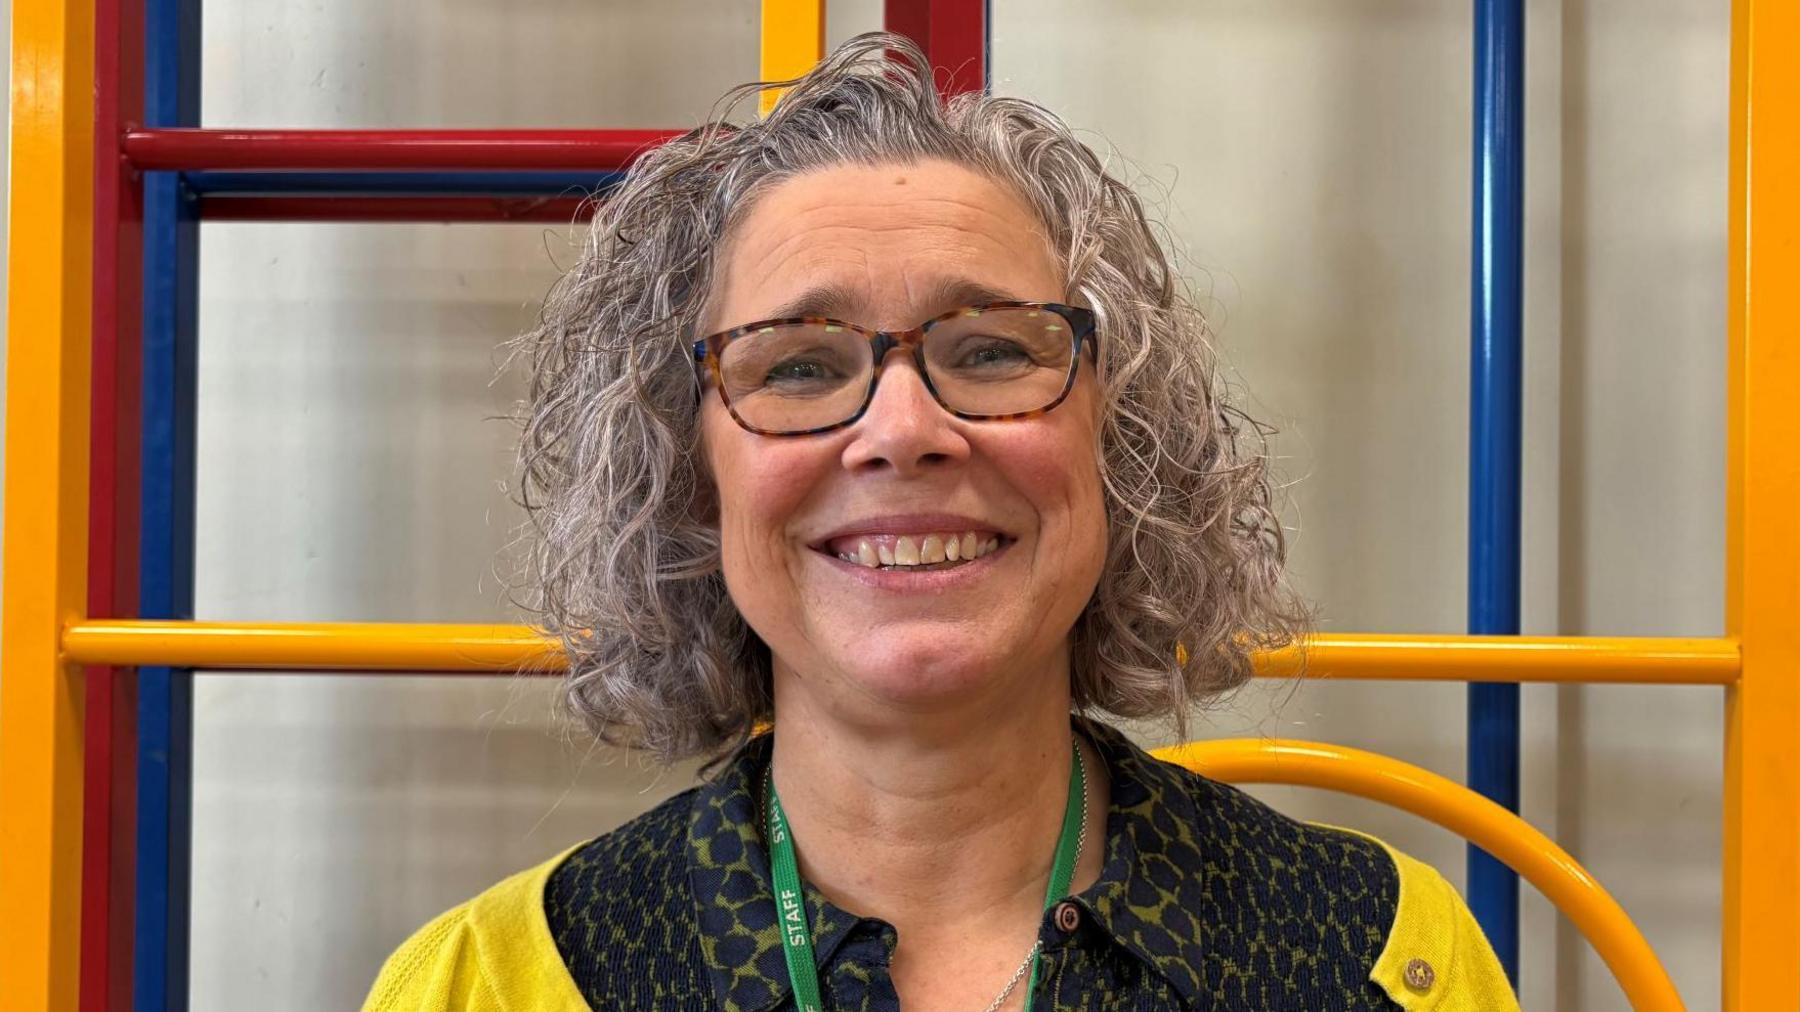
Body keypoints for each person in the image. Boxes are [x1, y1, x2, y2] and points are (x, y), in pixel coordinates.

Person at [364, 32, 1516, 1012]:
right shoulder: (494, 980)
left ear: (1120, 448)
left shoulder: (1380, 961)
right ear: (687, 477)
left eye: (993, 351)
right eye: (802, 365)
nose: (902, 428)